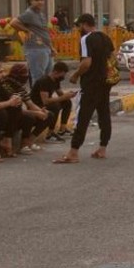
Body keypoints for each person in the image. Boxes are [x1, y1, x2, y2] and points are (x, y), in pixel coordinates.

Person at [54, 14, 114, 163]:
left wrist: (75, 75)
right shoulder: (105, 38)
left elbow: (86, 62)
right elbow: (112, 57)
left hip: (91, 83)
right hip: (105, 82)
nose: (78, 29)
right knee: (104, 115)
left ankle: (73, 152)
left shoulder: (86, 39)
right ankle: (102, 148)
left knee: (83, 117)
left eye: (78, 26)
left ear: (84, 24)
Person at [0, 63, 51, 154]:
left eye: (27, 73)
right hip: (8, 115)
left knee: (49, 115)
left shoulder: (19, 86)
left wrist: (41, 111)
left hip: (17, 113)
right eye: (24, 74)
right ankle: (23, 143)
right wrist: (35, 113)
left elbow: (30, 103)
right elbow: (15, 109)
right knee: (29, 118)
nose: (26, 76)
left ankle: (29, 141)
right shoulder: (6, 86)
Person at [9, 0, 53, 84]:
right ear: (30, 1)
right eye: (37, 0)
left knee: (48, 76)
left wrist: (51, 47)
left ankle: (45, 97)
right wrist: (26, 30)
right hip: (35, 49)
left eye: (41, 0)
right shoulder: (29, 13)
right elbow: (13, 23)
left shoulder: (41, 14)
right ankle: (37, 97)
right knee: (38, 77)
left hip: (45, 48)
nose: (40, 2)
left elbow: (44, 32)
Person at [32, 61, 77, 144]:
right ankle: (50, 134)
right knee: (55, 106)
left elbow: (60, 95)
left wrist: (68, 95)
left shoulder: (56, 80)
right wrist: (62, 97)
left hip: (45, 102)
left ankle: (62, 129)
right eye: (62, 74)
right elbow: (45, 101)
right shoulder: (44, 81)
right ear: (56, 72)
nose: (63, 77)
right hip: (37, 105)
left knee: (67, 102)